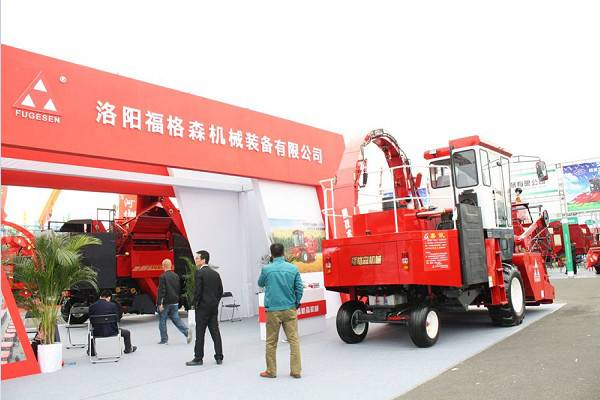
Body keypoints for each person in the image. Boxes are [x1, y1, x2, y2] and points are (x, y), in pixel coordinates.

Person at [257, 243, 304, 379]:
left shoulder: (266, 269)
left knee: (271, 342)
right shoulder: (293, 268)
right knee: (294, 340)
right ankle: (296, 370)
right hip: (290, 308)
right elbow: (299, 288)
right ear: (283, 253)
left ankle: (271, 371)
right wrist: (296, 302)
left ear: (271, 254)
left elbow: (260, 283)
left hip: (272, 310)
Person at [186, 250, 224, 366]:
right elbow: (220, 291)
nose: (195, 260)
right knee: (215, 332)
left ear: (203, 260)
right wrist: (215, 302)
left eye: (197, 258)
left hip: (202, 308)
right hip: (213, 307)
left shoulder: (199, 273)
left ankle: (198, 358)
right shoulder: (215, 274)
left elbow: (198, 291)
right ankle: (219, 357)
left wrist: (193, 304)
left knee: (200, 333)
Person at [89, 290, 137, 354]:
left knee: (90, 334)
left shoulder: (92, 306)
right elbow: (117, 319)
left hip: (97, 332)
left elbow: (91, 320)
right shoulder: (113, 305)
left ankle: (91, 352)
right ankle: (128, 349)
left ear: (100, 297)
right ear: (109, 297)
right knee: (127, 333)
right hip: (113, 331)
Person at [157, 258, 192, 344]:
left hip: (166, 302)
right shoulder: (176, 276)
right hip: (175, 301)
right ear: (170, 266)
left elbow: (162, 291)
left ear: (163, 266)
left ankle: (164, 339)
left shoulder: (163, 277)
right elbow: (178, 289)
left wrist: (160, 303)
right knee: (176, 319)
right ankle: (187, 332)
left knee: (162, 320)